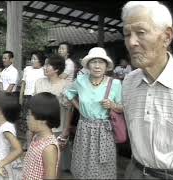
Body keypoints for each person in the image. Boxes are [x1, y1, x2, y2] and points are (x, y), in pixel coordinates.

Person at [121, 1, 173, 179]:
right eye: (127, 34)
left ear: (167, 36)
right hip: (135, 171)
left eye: (141, 33)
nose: (132, 42)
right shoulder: (128, 82)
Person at [63, 47, 123, 179]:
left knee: (104, 166)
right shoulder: (80, 80)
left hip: (105, 131)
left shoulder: (115, 84)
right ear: (88, 65)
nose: (97, 66)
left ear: (106, 66)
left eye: (101, 62)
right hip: (84, 128)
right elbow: (68, 93)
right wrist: (79, 108)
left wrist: (112, 105)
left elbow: (122, 107)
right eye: (93, 62)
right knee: (83, 164)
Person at [34, 55, 72, 172]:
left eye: (47, 65)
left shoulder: (67, 85)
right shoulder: (39, 82)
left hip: (57, 130)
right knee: (40, 164)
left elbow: (70, 110)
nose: (44, 67)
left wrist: (65, 131)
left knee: (55, 166)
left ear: (56, 69)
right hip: (40, 129)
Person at [22, 92, 61, 179]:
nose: (27, 118)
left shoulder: (49, 148)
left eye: (29, 114)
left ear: (43, 119)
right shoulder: (37, 137)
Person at [0, 92, 23, 180]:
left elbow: (18, 149)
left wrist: (2, 163)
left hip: (3, 171)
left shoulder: (6, 128)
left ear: (0, 110)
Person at [19, 51, 46, 143]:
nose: (32, 61)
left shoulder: (44, 71)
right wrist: (20, 97)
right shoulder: (27, 69)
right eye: (32, 58)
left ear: (40, 61)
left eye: (35, 59)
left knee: (37, 122)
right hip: (27, 97)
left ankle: (36, 143)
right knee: (27, 122)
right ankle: (28, 143)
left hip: (38, 98)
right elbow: (23, 84)